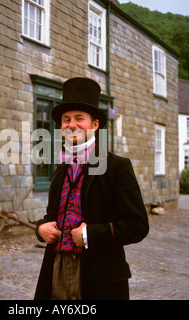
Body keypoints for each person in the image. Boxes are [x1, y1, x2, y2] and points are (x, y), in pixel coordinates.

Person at [34, 77, 149, 300]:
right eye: (66, 119)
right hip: (56, 265)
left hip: (98, 274)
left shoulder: (117, 166)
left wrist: (89, 235)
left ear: (95, 124)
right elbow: (52, 216)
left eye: (79, 118)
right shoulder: (61, 167)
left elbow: (138, 225)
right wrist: (40, 228)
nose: (71, 124)